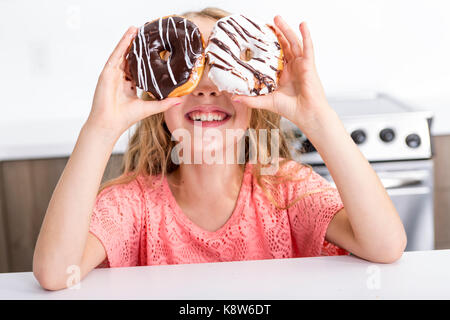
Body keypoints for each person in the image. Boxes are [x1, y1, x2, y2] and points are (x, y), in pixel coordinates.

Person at [33, 7, 406, 291]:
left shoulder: (286, 190)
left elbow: (385, 245)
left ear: (257, 92)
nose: (207, 86)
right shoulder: (134, 205)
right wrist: (100, 127)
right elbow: (54, 272)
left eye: (224, 65)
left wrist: (318, 116)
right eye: (188, 69)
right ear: (158, 96)